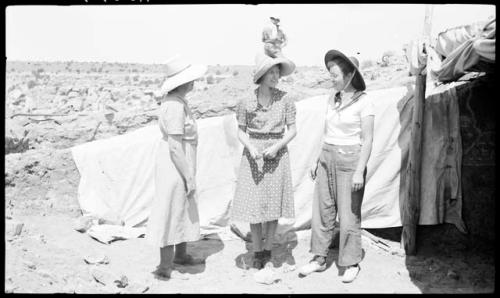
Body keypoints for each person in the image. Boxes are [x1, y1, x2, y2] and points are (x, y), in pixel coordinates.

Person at [298, 49, 375, 283]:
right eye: (330, 75)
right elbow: (327, 133)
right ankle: (318, 259)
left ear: (349, 75)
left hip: (350, 160)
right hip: (327, 157)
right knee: (322, 211)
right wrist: (316, 159)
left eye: (335, 75)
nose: (331, 79)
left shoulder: (365, 102)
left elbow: (368, 139)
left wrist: (359, 169)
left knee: (349, 214)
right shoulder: (331, 98)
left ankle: (351, 262)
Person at [231, 53, 297, 270]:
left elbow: (292, 130)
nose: (276, 76)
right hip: (253, 158)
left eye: (278, 72)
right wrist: (250, 147)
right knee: (254, 207)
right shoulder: (245, 101)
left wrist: (277, 146)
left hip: (277, 156)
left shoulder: (285, 99)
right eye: (272, 72)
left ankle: (268, 250)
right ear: (261, 75)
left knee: (271, 207)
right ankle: (257, 251)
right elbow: (240, 132)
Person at [146, 55, 207, 279]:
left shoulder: (179, 102)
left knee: (182, 206)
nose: (194, 82)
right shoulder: (173, 105)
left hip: (182, 159)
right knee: (170, 208)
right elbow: (174, 146)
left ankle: (180, 255)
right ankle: (164, 266)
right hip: (174, 163)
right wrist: (188, 176)